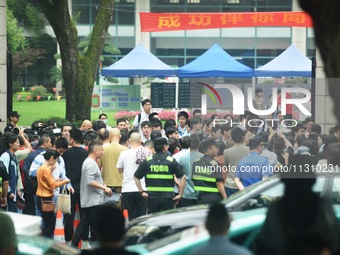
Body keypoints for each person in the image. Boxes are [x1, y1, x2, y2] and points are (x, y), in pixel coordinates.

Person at [257, 154, 339, 255]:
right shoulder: (323, 206)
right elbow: (333, 241)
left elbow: (268, 244)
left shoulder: (276, 208)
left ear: (286, 181)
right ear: (311, 181)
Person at [72, 140, 113, 248]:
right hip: (93, 200)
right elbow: (89, 181)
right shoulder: (90, 163)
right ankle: (106, 246)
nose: (103, 152)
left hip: (88, 199)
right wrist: (104, 188)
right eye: (101, 150)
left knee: (84, 223)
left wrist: (101, 184)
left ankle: (74, 244)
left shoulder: (89, 162)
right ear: (95, 151)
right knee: (100, 224)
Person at [134, 137, 186, 213]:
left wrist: (141, 192)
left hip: (152, 197)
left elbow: (136, 177)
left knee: (153, 221)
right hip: (168, 198)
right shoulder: (171, 161)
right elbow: (183, 177)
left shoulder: (147, 161)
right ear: (164, 147)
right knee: (167, 220)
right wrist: (180, 194)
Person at [62, 128, 89, 247]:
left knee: (69, 216)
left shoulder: (66, 154)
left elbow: (63, 172)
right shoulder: (86, 153)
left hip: (69, 187)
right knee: (85, 216)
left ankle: (68, 241)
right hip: (83, 189)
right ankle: (85, 241)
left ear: (72, 139)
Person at [36, 149, 70, 238]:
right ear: (51, 158)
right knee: (51, 225)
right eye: (55, 160)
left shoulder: (41, 168)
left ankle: (42, 241)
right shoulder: (46, 169)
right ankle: (41, 240)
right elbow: (53, 185)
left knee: (48, 223)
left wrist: (56, 180)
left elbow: (46, 182)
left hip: (41, 197)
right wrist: (65, 181)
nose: (55, 162)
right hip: (45, 199)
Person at [116, 132, 147, 220]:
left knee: (129, 217)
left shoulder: (124, 153)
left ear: (129, 140)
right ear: (140, 141)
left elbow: (119, 170)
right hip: (142, 188)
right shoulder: (145, 153)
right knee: (141, 216)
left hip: (127, 188)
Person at [192, 139, 227, 205]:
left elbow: (194, 180)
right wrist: (225, 198)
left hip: (200, 198)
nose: (218, 150)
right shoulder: (214, 164)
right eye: (216, 148)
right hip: (214, 198)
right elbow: (219, 183)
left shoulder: (196, 162)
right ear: (209, 149)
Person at [224, 127, 250, 196]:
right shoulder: (248, 150)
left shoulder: (226, 152)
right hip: (244, 183)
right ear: (243, 137)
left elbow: (225, 167)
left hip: (230, 184)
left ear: (231, 137)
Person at [0, 132, 21, 212]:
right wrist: (8, 193)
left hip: (13, 194)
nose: (18, 144)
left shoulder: (13, 156)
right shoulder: (5, 156)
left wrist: (17, 190)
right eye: (17, 142)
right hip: (8, 196)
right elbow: (3, 177)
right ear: (10, 144)